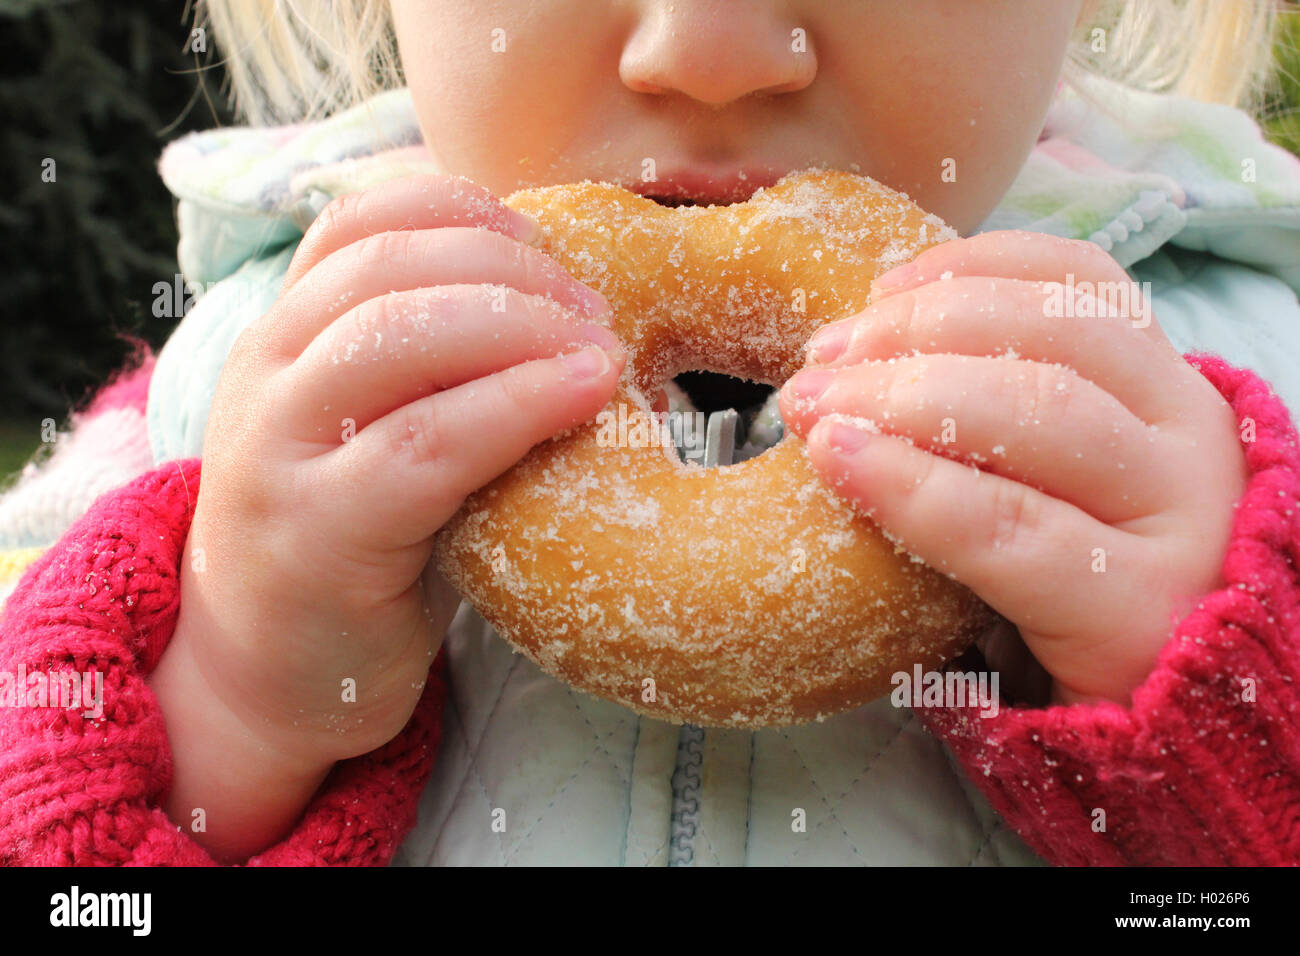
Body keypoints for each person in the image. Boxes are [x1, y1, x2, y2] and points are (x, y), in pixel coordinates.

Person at [2, 0, 1298, 866]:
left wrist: (1228, 708)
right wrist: (235, 699)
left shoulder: (1249, 408)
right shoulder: (238, 395)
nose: (709, 48)